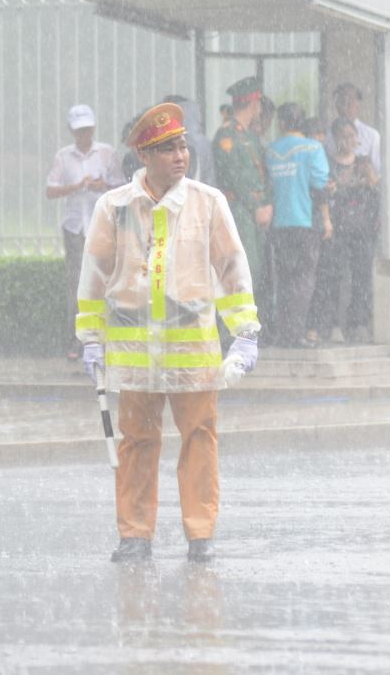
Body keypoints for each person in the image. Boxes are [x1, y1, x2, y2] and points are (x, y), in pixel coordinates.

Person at [75, 103, 261, 564]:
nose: (181, 156)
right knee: (136, 443)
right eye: (167, 149)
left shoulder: (209, 202)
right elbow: (94, 276)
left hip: (192, 353)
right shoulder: (113, 207)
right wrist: (91, 337)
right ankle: (135, 535)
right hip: (135, 354)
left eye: (182, 146)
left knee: (200, 438)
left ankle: (201, 535)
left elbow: (232, 269)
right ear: (144, 156)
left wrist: (245, 332)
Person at [46, 104, 120, 360]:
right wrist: (76, 186)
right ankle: (77, 340)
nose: (84, 136)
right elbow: (51, 190)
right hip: (75, 228)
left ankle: (105, 338)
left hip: (101, 227)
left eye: (87, 130)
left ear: (94, 128)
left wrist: (102, 186)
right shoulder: (63, 156)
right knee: (77, 284)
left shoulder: (107, 153)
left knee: (106, 282)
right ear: (72, 132)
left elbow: (121, 186)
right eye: (79, 132)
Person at [264, 104, 331, 347]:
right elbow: (320, 184)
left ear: (281, 124)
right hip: (305, 223)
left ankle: (283, 333)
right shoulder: (314, 149)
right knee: (303, 280)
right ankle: (296, 334)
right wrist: (326, 218)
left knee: (284, 278)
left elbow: (267, 185)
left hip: (279, 225)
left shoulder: (271, 150)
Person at [312, 116, 381, 344]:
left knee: (361, 278)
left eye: (352, 136)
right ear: (335, 139)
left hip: (361, 230)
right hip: (337, 231)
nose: (349, 140)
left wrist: (371, 182)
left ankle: (359, 323)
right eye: (344, 136)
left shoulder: (364, 163)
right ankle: (333, 325)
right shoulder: (328, 165)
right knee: (333, 278)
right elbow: (322, 193)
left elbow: (375, 192)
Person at [211, 77, 272, 314]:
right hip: (239, 211)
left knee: (254, 271)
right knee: (239, 272)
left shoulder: (250, 136)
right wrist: (256, 205)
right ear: (253, 104)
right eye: (258, 103)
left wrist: (266, 204)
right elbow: (233, 176)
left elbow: (261, 175)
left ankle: (246, 328)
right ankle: (231, 333)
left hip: (255, 213)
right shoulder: (226, 136)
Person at [333, 82, 382, 175]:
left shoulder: (371, 135)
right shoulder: (329, 135)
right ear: (336, 105)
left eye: (350, 101)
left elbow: (378, 172)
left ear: (358, 105)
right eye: (342, 101)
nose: (346, 105)